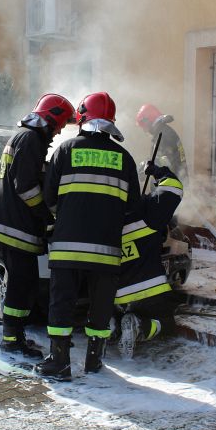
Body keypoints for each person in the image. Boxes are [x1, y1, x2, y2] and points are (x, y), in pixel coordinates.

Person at [35, 92, 140, 381]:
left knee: (62, 304)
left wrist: (69, 214)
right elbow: (132, 208)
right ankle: (94, 361)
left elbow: (49, 198)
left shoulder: (66, 150)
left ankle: (60, 362)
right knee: (101, 306)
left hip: (67, 247)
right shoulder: (125, 158)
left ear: (82, 117)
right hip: (106, 250)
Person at [0, 94, 75, 359]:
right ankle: (12, 341)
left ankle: (14, 336)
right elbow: (26, 188)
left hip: (9, 224)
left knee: (23, 281)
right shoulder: (32, 140)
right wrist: (46, 216)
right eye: (58, 126)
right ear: (51, 119)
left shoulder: (22, 137)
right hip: (16, 227)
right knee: (22, 283)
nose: (58, 133)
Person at [113, 162, 184, 359]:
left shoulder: (104, 214)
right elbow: (173, 188)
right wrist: (158, 172)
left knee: (115, 310)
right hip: (150, 291)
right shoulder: (146, 210)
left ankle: (114, 324)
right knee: (167, 324)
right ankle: (140, 326)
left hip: (114, 295)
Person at [135, 104, 188, 184]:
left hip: (170, 188)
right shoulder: (163, 132)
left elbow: (165, 164)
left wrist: (148, 166)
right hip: (173, 186)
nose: (145, 130)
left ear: (148, 120)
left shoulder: (163, 135)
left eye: (143, 125)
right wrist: (146, 164)